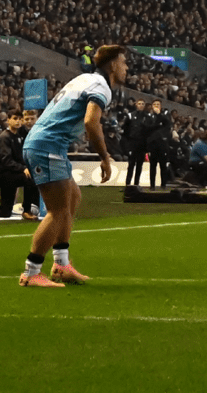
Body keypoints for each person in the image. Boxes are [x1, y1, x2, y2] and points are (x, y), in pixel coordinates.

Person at [19, 45, 125, 288]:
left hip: (47, 145)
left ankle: (61, 265)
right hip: (48, 146)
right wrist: (105, 157)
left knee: (72, 197)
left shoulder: (85, 79)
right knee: (57, 210)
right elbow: (90, 121)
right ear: (113, 65)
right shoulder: (100, 86)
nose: (127, 68)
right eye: (124, 63)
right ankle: (32, 272)